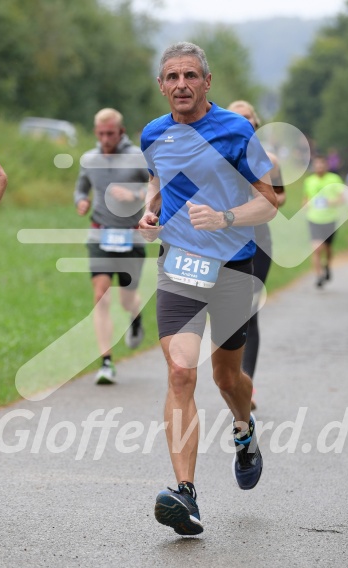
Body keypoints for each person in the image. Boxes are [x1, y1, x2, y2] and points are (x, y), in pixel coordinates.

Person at [139, 42, 278, 536]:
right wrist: (150, 210)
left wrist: (224, 217)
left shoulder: (237, 131)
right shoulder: (153, 133)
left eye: (190, 76)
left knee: (226, 377)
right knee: (180, 373)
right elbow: (157, 179)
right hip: (179, 264)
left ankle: (244, 430)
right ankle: (185, 495)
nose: (181, 85)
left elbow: (272, 200)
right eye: (172, 76)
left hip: (234, 267)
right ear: (161, 85)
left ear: (207, 82)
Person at [74, 108, 148, 384]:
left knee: (126, 298)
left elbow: (157, 188)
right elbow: (80, 188)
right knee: (100, 296)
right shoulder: (90, 159)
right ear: (96, 133)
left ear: (121, 131)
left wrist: (134, 194)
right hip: (100, 236)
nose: (106, 139)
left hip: (131, 235)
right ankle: (106, 361)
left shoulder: (137, 157)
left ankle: (135, 314)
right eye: (101, 134)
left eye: (111, 134)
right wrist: (80, 201)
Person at [227, 100, 286, 409]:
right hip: (227, 241)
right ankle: (232, 379)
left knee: (250, 312)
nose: (243, 123)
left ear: (256, 123)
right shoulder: (218, 157)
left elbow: (281, 196)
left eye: (248, 118)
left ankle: (245, 384)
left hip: (259, 242)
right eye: (236, 118)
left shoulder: (270, 160)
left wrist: (261, 197)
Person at [303, 155, 344, 287]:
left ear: (326, 166)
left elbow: (342, 198)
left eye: (322, 164)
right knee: (316, 248)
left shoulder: (334, 179)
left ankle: (327, 266)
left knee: (328, 248)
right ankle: (319, 275)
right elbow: (306, 198)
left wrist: (331, 201)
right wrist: (305, 206)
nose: (319, 167)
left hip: (330, 219)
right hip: (314, 218)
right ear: (314, 166)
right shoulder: (309, 181)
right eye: (317, 164)